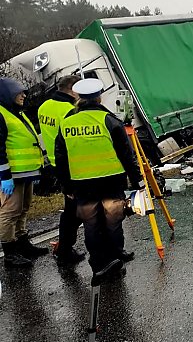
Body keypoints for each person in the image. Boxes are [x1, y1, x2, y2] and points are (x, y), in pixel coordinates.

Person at [55, 78, 145, 280]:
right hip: (110, 181)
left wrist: (65, 185)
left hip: (81, 184)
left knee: (92, 225)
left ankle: (98, 264)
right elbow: (126, 155)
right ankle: (114, 260)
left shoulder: (66, 123)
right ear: (99, 97)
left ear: (79, 98)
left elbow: (61, 158)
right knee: (113, 222)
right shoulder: (110, 121)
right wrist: (137, 181)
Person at [38, 75, 86, 266]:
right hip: (71, 164)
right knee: (75, 210)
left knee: (72, 208)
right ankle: (65, 249)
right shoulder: (69, 110)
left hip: (55, 163)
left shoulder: (44, 106)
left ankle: (64, 246)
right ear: (72, 89)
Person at [0, 77, 48, 268]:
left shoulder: (17, 113)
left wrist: (36, 169)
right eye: (19, 92)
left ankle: (22, 243)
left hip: (25, 173)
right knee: (9, 212)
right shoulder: (2, 114)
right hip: (11, 175)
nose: (24, 95)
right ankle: (10, 254)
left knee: (23, 209)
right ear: (7, 94)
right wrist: (4, 176)